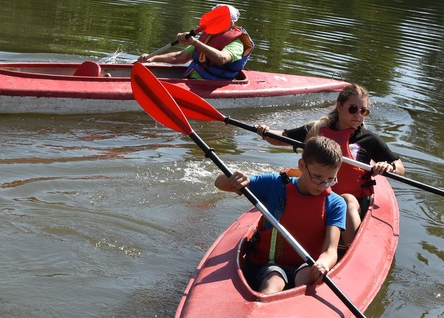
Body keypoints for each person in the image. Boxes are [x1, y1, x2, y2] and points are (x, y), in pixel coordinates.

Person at [256, 83, 404, 245]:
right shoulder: (317, 129)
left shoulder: (369, 140)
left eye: (364, 111)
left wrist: (389, 167)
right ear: (339, 106)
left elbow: (399, 165)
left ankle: (349, 251)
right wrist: (265, 132)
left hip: (351, 200)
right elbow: (283, 137)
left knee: (345, 201)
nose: (359, 115)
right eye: (353, 109)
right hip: (317, 192)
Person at [215, 136, 347, 294]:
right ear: (302, 165)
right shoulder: (274, 184)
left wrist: (323, 264)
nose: (323, 185)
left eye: (331, 179)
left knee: (303, 279)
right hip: (268, 265)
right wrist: (233, 178)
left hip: (307, 266)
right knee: (273, 282)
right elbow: (220, 184)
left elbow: (330, 251)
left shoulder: (336, 204)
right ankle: (261, 312)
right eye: (317, 178)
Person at [137, 4, 254, 80]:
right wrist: (152, 58)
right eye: (214, 18)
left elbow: (222, 59)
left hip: (211, 85)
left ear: (230, 22)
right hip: (191, 80)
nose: (215, 21)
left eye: (220, 19)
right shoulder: (208, 37)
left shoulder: (236, 43)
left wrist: (195, 43)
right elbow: (180, 57)